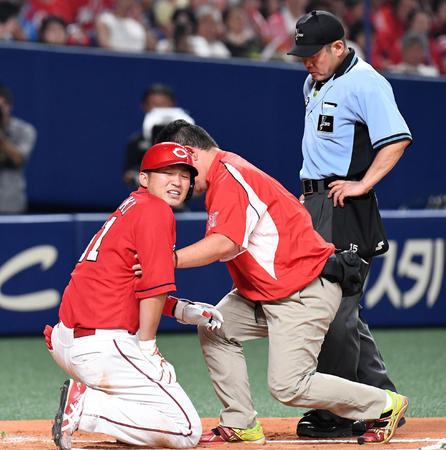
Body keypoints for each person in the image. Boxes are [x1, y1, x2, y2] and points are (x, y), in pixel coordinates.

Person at [147, 119, 408, 446]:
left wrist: (166, 260)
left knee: (289, 386)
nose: (178, 180)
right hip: (267, 293)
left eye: (178, 168)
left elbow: (224, 244)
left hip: (303, 290)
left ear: (189, 153)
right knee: (215, 326)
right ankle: (241, 422)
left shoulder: (230, 177)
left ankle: (385, 404)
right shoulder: (224, 176)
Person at [43, 142, 224, 449]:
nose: (178, 181)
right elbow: (152, 285)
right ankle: (85, 406)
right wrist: (148, 349)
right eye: (167, 172)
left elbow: (122, 281)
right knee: (186, 430)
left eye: (184, 174)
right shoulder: (155, 211)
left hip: (68, 339)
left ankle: (94, 405)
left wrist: (180, 310)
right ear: (144, 178)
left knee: (149, 413)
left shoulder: (132, 207)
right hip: (103, 346)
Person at [286, 10, 412, 438]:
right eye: (302, 53)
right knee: (343, 311)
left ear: (339, 47)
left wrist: (362, 184)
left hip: (344, 206)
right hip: (317, 203)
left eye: (314, 52)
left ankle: (338, 413)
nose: (306, 60)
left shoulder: (367, 82)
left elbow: (397, 138)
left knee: (335, 311)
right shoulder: (315, 81)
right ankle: (383, 399)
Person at [122, 83, 194, 189]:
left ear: (173, 105)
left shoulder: (190, 140)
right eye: (155, 105)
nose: (160, 109)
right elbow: (128, 176)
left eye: (164, 104)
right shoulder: (136, 142)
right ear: (144, 106)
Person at [0, 83, 37, 214]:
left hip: (11, 206)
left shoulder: (25, 130)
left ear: (9, 107)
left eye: (1, 106)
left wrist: (2, 140)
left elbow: (18, 159)